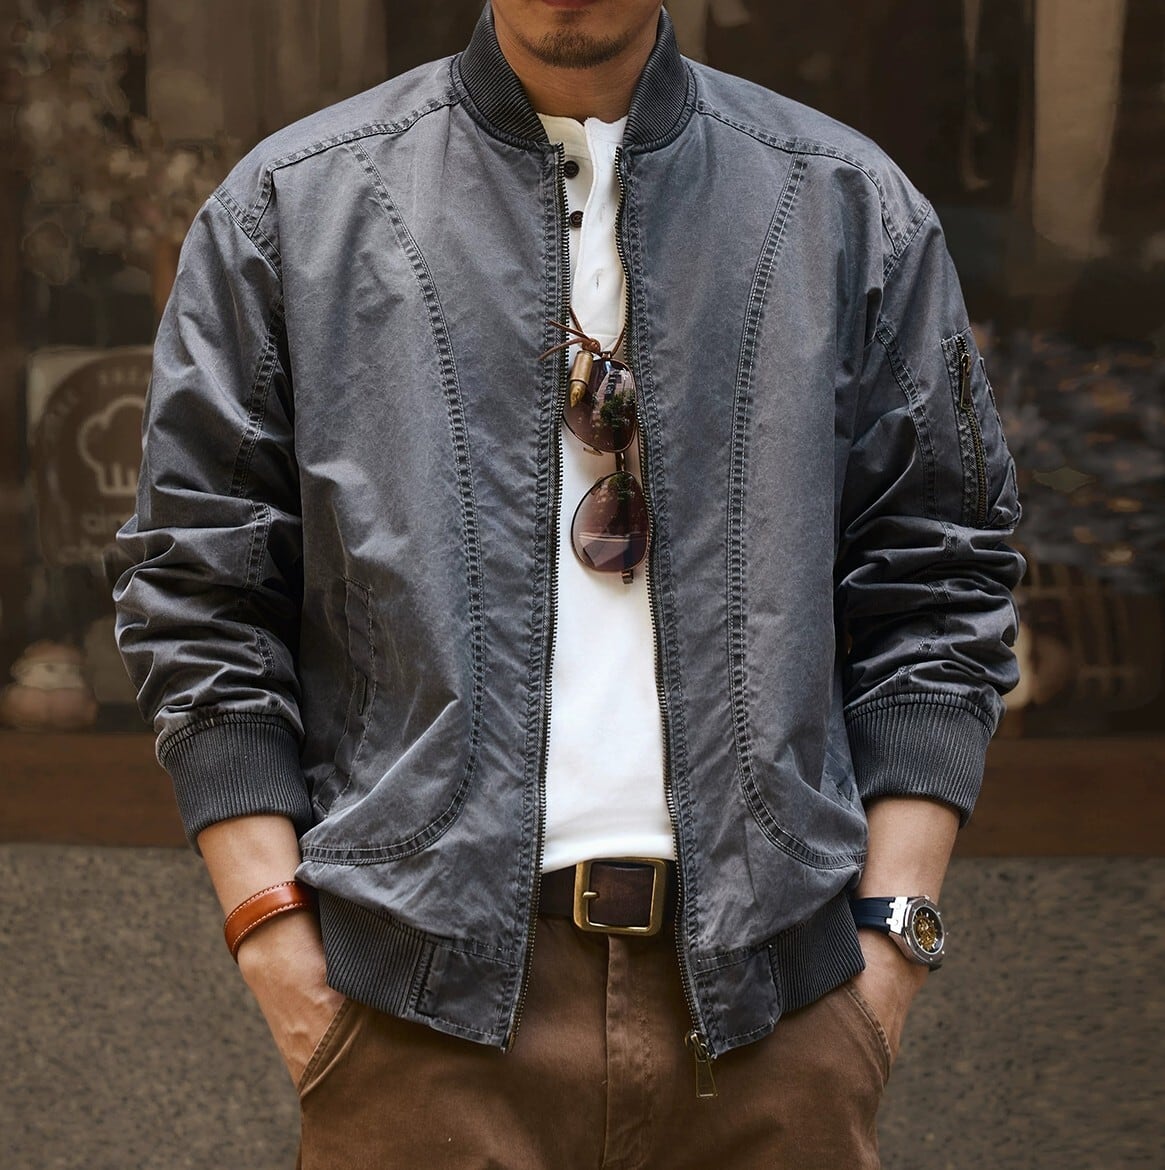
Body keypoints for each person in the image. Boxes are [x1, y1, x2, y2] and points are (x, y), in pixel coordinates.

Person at [113, 2, 1022, 1166]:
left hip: (777, 1021)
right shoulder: (296, 204)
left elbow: (940, 576)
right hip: (414, 1026)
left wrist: (889, 948)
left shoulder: (843, 203)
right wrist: (276, 947)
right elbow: (201, 590)